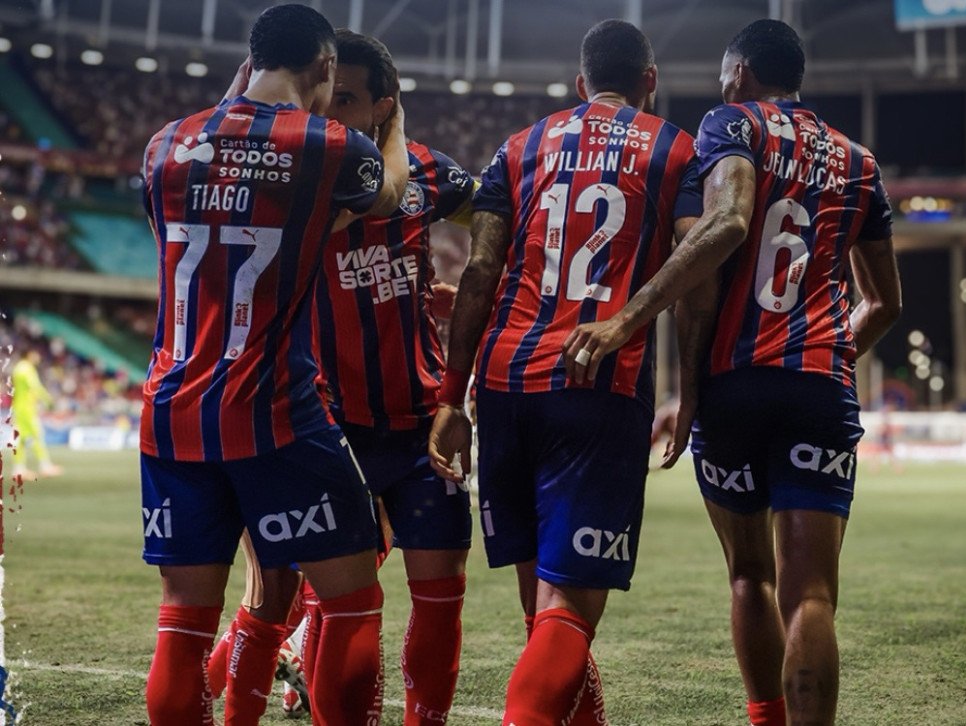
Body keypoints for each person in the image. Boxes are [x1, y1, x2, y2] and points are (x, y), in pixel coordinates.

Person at [561, 19, 902, 726]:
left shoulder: (731, 125)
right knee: (812, 596)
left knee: (750, 574)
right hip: (818, 383)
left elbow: (710, 264)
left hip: (734, 385)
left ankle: (765, 718)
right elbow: (885, 302)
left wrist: (685, 387)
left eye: (724, 74)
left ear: (741, 72)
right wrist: (833, 356)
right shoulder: (859, 161)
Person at [138, 5, 408, 725]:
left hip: (171, 415)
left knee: (182, 625)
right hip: (274, 411)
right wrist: (396, 122)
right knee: (353, 602)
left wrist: (231, 105)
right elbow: (386, 194)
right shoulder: (329, 145)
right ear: (325, 69)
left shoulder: (164, 144)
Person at [428, 19, 703, 724]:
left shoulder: (518, 148)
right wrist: (690, 390)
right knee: (569, 614)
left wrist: (451, 401)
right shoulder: (676, 149)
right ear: (650, 82)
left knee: (542, 615)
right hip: (597, 385)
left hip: (503, 384)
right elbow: (695, 277)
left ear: (579, 86)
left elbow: (480, 271)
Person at [208, 29, 476, 724]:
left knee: (438, 592)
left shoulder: (430, 175)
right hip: (322, 426)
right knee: (289, 599)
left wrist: (468, 296)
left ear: (385, 105)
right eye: (332, 94)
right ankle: (221, 687)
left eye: (349, 100)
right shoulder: (303, 172)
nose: (332, 112)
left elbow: (502, 217)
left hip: (420, 428)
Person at [10, 348, 62, 480]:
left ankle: (18, 469)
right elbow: (35, 386)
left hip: (18, 407)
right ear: (29, 354)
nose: (38, 356)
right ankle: (45, 466)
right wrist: (49, 400)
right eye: (36, 353)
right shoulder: (27, 368)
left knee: (20, 439)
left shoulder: (18, 368)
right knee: (37, 435)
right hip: (27, 409)